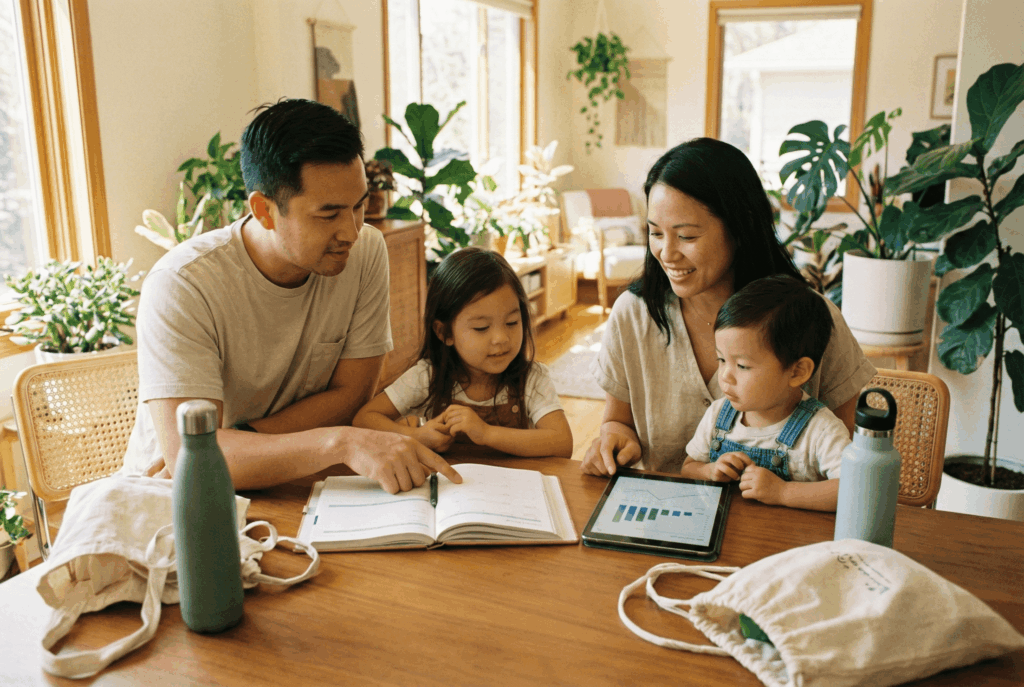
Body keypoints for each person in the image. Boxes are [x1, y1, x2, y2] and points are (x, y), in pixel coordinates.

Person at [121, 98, 461, 493]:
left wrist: (240, 440)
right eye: (328, 215)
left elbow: (352, 394)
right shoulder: (183, 284)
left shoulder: (365, 250)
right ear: (264, 210)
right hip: (177, 496)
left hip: (295, 477)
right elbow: (193, 461)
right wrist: (339, 441)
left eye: (359, 206)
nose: (351, 231)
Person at [582, 137, 875, 477]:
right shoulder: (633, 314)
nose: (666, 253)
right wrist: (615, 439)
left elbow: (857, 461)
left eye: (687, 236)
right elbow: (618, 422)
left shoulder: (813, 316)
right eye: (656, 233)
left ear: (740, 227)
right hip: (663, 517)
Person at [354, 247, 573, 458]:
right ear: (444, 332)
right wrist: (416, 435)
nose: (501, 338)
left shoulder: (532, 379)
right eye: (481, 328)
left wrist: (486, 433)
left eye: (512, 322)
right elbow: (364, 419)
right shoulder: (427, 376)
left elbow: (562, 443)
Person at [680, 275, 849, 511]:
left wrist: (783, 492)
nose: (725, 376)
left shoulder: (820, 431)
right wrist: (709, 471)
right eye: (721, 359)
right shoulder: (719, 415)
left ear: (797, 371)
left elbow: (854, 491)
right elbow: (688, 468)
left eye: (742, 366)